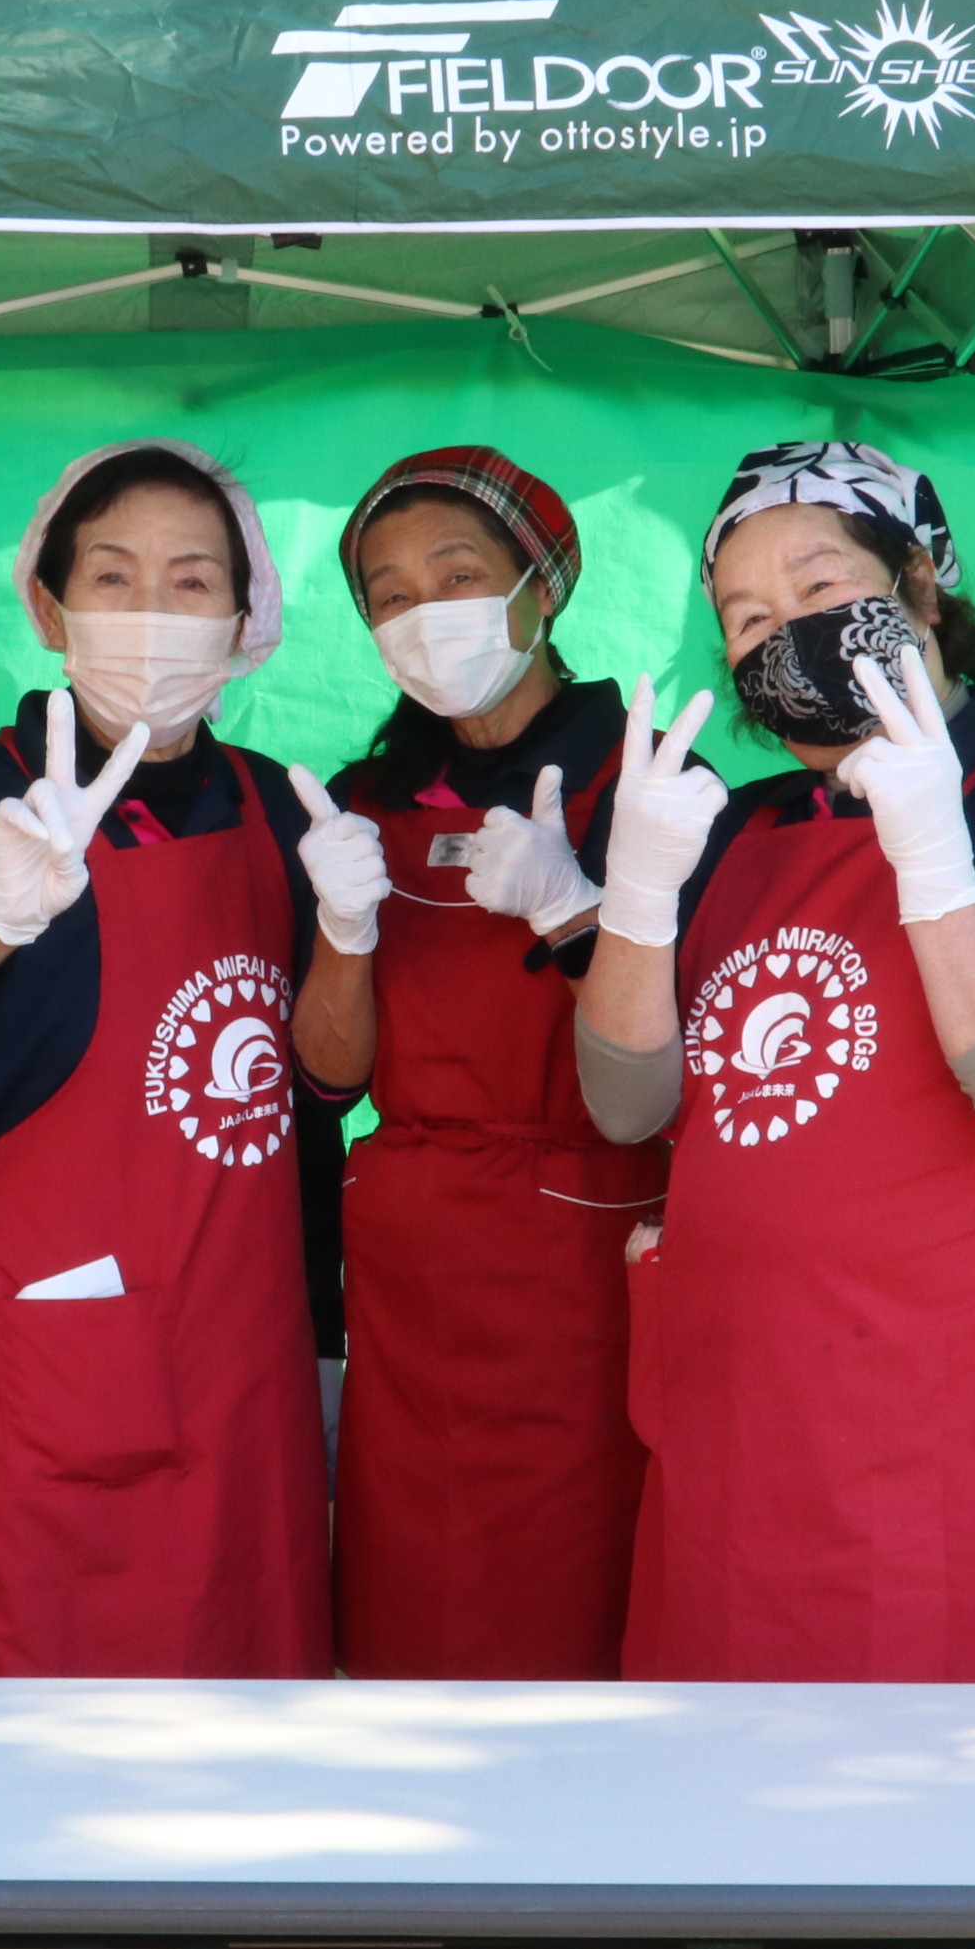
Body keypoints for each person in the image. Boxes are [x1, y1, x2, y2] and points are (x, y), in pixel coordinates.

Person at [573, 440, 975, 1684]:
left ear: (922, 585)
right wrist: (637, 897)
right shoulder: (734, 829)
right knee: (712, 1747)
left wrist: (934, 855)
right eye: (747, 617)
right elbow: (629, 1105)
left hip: (942, 1398)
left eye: (822, 585)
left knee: (932, 1757)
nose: (786, 631)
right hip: (734, 1391)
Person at [0, 441, 338, 1678]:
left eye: (192, 580)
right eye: (113, 576)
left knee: (252, 1714)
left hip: (244, 1371)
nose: (153, 611)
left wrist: (353, 934)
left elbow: (328, 1087)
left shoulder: (279, 810)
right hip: (49, 1374)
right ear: (49, 609)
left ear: (245, 618)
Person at [284, 446, 669, 1680]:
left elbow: (681, 1072)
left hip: (587, 1267)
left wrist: (576, 909)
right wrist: (343, 933)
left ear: (541, 586)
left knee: (573, 1609)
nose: (425, 613)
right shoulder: (363, 800)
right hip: (410, 1274)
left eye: (458, 575)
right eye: (390, 596)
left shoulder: (647, 780)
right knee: (412, 1609)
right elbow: (328, 1081)